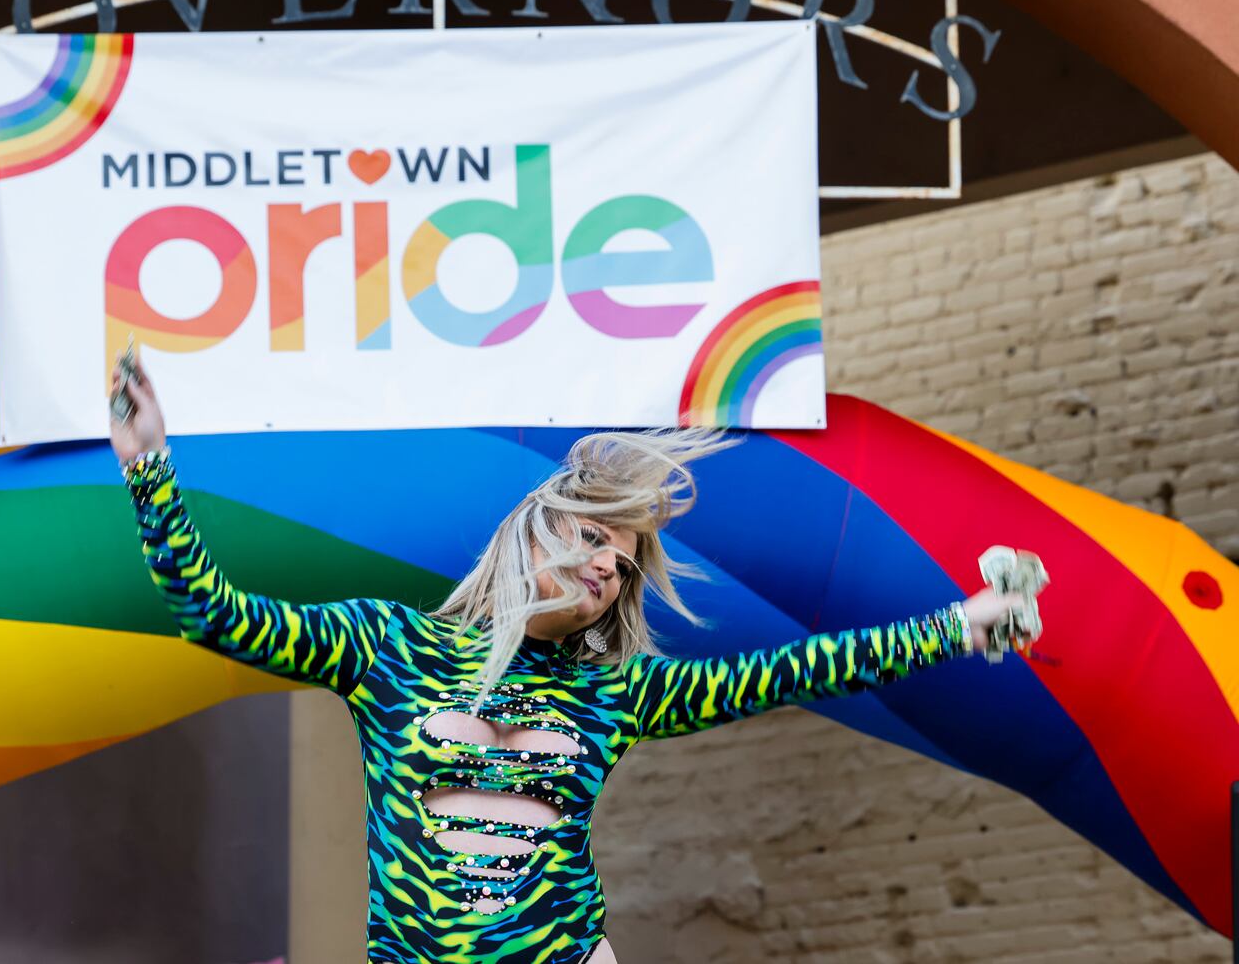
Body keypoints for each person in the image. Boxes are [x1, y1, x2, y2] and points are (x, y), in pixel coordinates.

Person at [108, 366, 1034, 964]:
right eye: (593, 536)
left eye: (622, 562)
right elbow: (210, 612)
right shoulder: (388, 645)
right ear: (532, 527)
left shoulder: (613, 690)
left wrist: (960, 624)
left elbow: (796, 669)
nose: (606, 565)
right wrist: (149, 468)